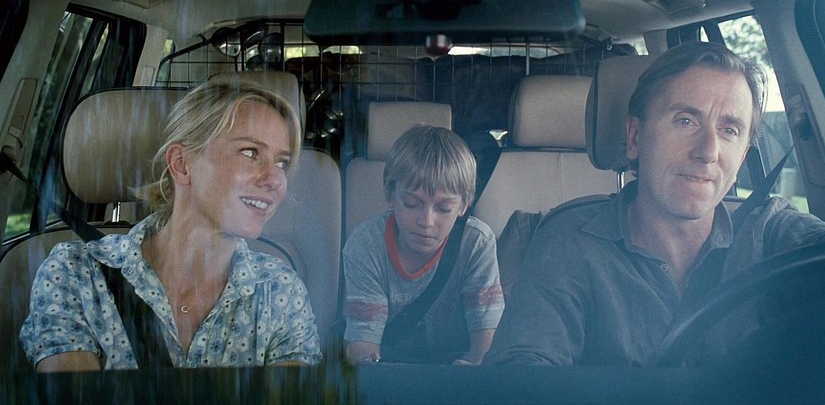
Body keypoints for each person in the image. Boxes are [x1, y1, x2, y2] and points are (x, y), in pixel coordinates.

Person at [484, 41, 825, 366]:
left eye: (729, 130)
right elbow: (524, 376)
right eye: (686, 121)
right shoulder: (570, 242)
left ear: (743, 156)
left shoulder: (772, 232)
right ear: (635, 137)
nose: (708, 151)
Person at [20, 79, 321, 371]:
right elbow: (73, 396)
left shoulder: (279, 290)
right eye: (250, 152)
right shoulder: (76, 273)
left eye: (281, 163)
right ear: (181, 164)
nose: (275, 179)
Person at [342, 125, 504, 365]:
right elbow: (364, 345)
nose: (426, 221)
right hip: (389, 369)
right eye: (411, 204)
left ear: (464, 205)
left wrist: (471, 373)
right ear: (390, 195)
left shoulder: (476, 243)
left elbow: (485, 342)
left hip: (458, 369)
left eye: (443, 208)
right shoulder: (366, 245)